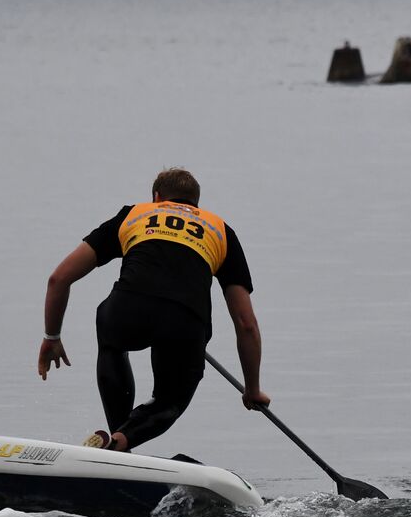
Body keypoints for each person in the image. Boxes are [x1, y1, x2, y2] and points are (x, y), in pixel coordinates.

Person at [38, 168, 268, 452]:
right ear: (196, 204)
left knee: (112, 344)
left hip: (126, 309)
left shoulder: (135, 214)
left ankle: (117, 443)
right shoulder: (220, 230)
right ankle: (121, 441)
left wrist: (52, 337)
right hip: (185, 320)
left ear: (157, 198)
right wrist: (252, 389)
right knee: (169, 401)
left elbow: (58, 279)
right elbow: (246, 323)